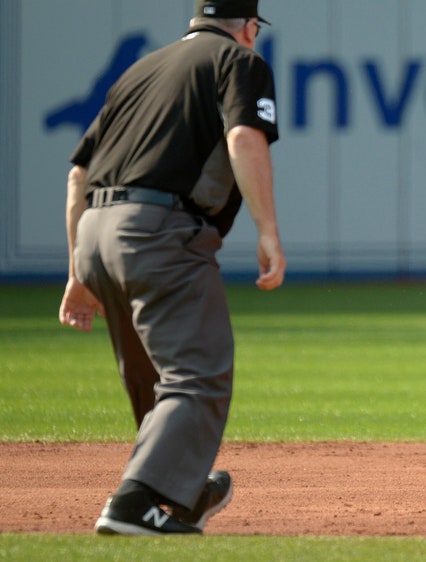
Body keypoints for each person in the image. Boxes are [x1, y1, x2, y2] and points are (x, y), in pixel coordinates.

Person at [58, 0, 285, 535]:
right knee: (199, 375)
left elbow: (77, 175)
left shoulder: (140, 70)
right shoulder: (240, 62)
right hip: (158, 230)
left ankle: (175, 493)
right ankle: (137, 501)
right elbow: (243, 137)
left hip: (95, 230)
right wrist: (268, 230)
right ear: (249, 28)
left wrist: (76, 270)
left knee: (152, 376)